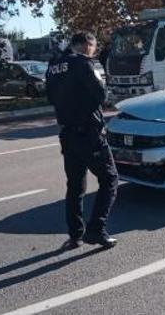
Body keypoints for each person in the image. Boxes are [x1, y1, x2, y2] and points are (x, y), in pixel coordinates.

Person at [46, 33, 118, 250]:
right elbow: (100, 95)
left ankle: (75, 236)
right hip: (89, 133)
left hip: (67, 134)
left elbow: (50, 97)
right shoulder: (83, 63)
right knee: (110, 180)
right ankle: (96, 229)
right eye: (94, 48)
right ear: (87, 45)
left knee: (75, 186)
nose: (94, 51)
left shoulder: (53, 65)